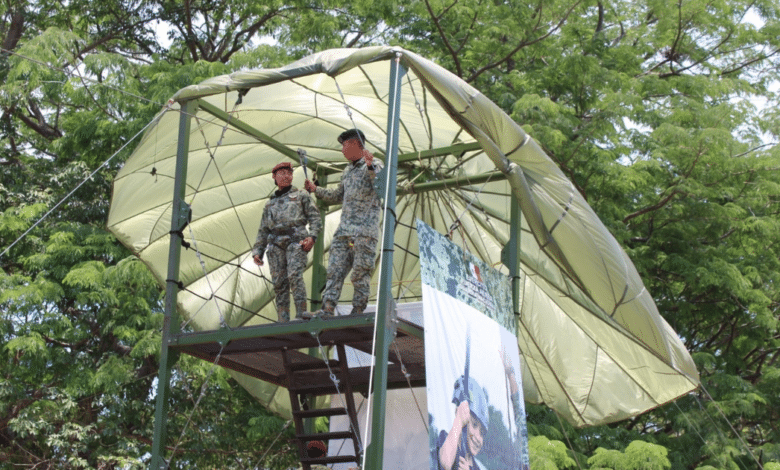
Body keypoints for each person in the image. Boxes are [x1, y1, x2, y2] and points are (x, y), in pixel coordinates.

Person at [304, 129, 383, 317]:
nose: (342, 150)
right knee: (334, 270)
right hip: (344, 231)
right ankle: (327, 309)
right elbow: (338, 195)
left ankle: (358, 310)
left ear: (356, 144)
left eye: (344, 145)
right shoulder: (347, 171)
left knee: (360, 273)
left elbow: (383, 187)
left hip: (364, 232)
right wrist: (316, 189)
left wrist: (372, 165)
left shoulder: (374, 164)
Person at [252, 161, 322, 321]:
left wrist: (312, 237)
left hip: (295, 241)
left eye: (289, 173)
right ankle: (283, 319)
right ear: (274, 177)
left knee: (294, 275)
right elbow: (263, 229)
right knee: (279, 282)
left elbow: (315, 217)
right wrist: (258, 251)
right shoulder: (269, 204)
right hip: (275, 245)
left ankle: (302, 313)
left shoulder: (301, 196)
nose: (286, 176)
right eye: (282, 173)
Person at [436, 377, 489, 470]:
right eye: (474, 425)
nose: (478, 437)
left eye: (482, 433)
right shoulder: (446, 440)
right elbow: (445, 464)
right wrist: (459, 420)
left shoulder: (478, 467)